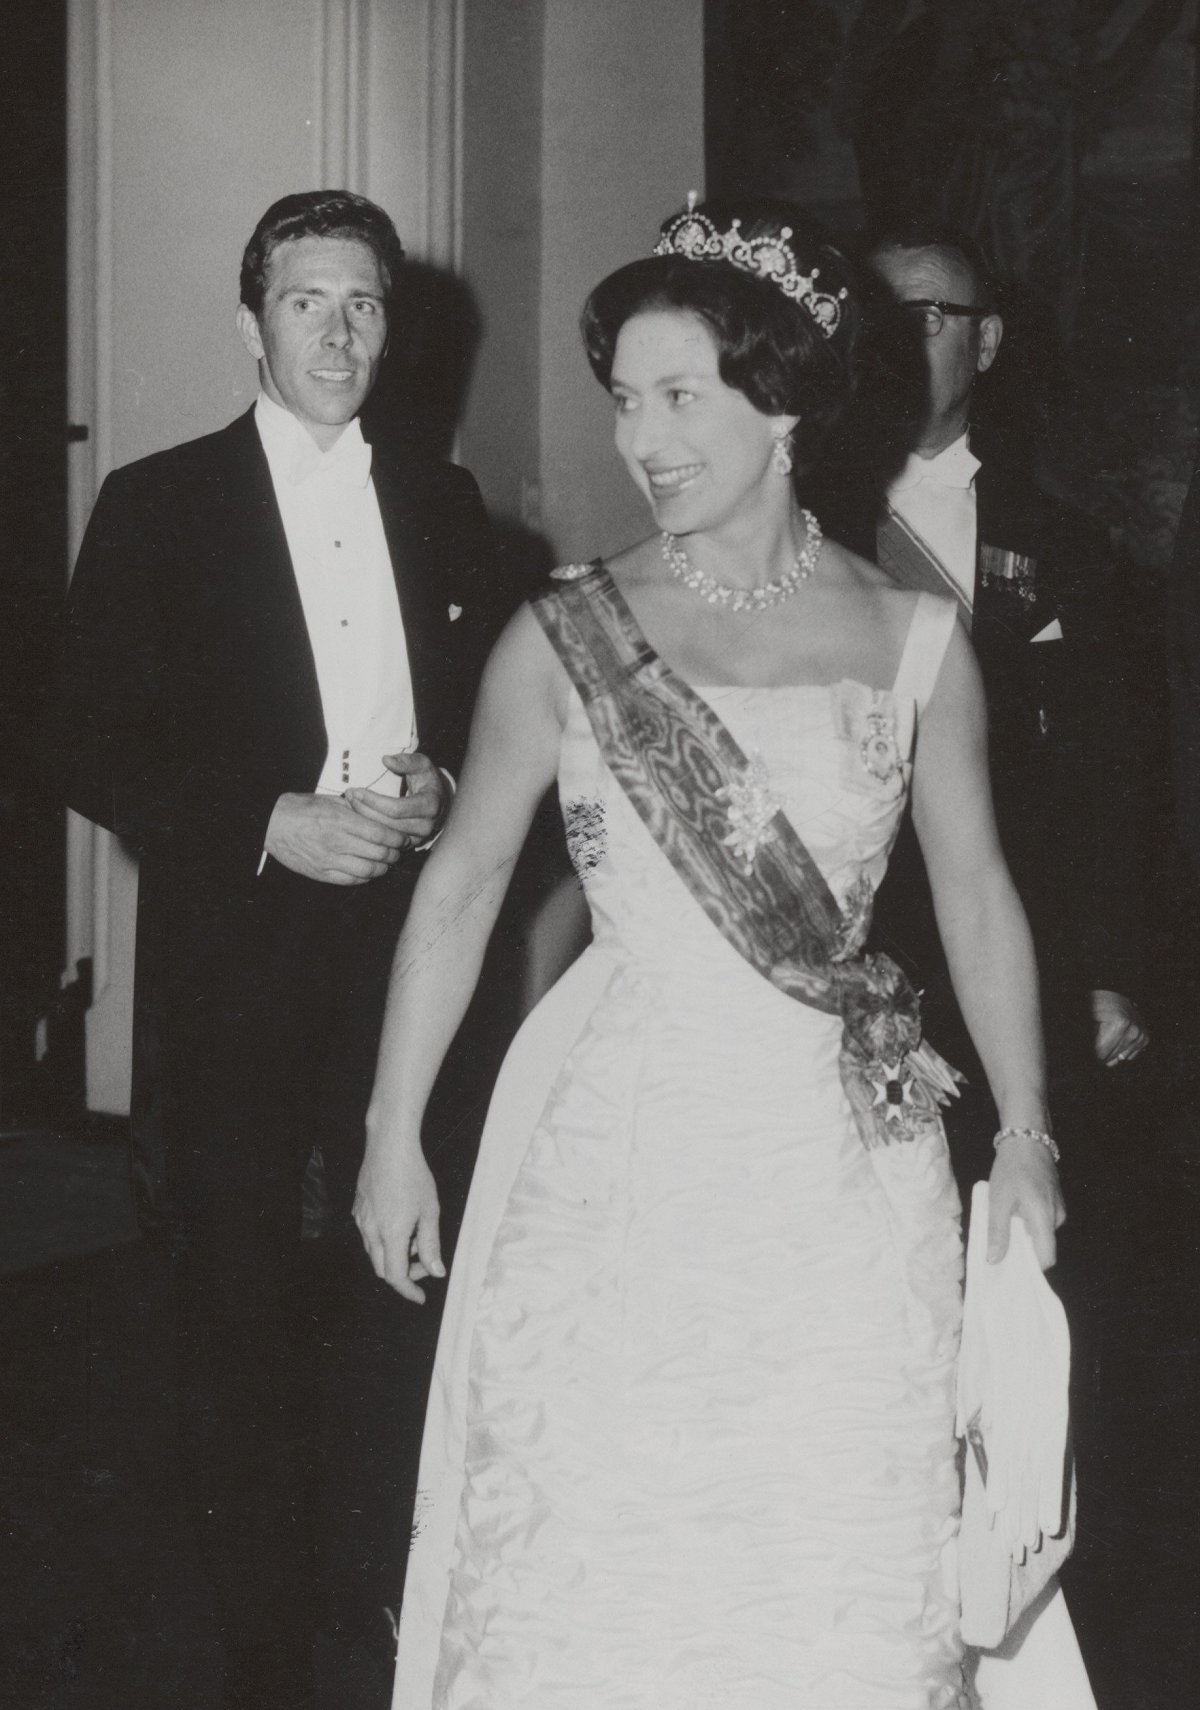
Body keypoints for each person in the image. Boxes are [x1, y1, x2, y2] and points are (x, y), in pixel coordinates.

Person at [355, 199, 1070, 1708]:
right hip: (623, 1157)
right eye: (626, 398)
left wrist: (1026, 1131)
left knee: (827, 1541)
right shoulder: (567, 637)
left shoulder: (912, 636)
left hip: (845, 1171)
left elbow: (981, 893)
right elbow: (463, 885)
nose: (642, 438)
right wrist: (391, 1136)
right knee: (608, 1533)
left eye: (681, 396)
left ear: (789, 402)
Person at [42, 190, 496, 1710]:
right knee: (235, 1308)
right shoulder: (161, 503)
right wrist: (265, 817)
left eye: (365, 303)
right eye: (309, 301)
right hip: (233, 967)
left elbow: (482, 730)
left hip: (401, 970)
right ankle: (254, 1654)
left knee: (393, 1292)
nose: (342, 331)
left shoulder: (446, 501)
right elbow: (78, 734)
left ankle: (379, 1611)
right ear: (252, 324)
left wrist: (436, 790)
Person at [852, 224, 1148, 1145]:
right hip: (851, 953)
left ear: (986, 343)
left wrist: (1113, 965)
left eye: (930, 317)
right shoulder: (802, 528)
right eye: (878, 320)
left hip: (1021, 946)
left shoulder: (1066, 541)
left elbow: (1115, 769)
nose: (901, 344)